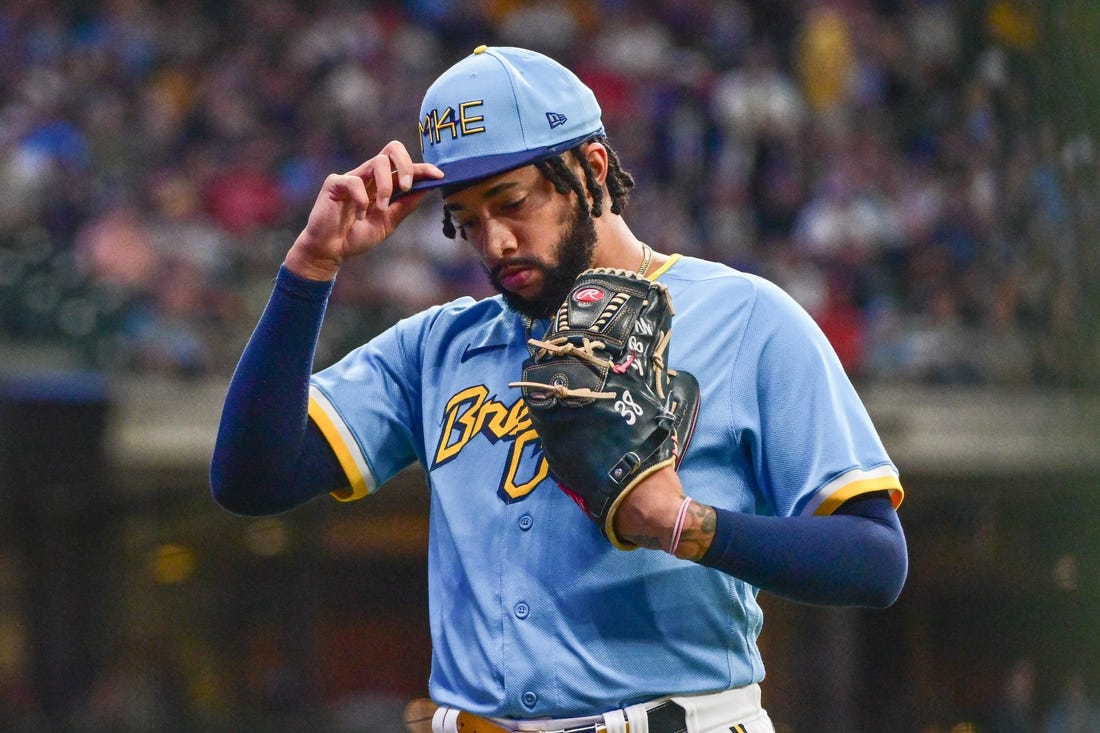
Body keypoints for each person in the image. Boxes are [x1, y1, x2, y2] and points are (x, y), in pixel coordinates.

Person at [211, 45, 908, 733]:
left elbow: (875, 559)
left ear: (592, 168)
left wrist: (685, 523)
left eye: (513, 202)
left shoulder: (745, 317)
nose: (496, 242)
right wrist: (311, 267)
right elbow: (250, 479)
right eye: (467, 217)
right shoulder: (437, 347)